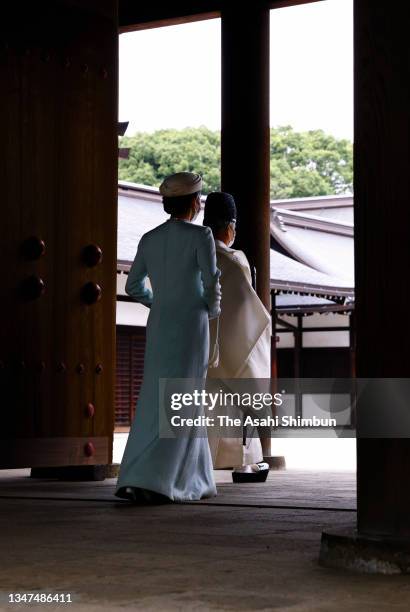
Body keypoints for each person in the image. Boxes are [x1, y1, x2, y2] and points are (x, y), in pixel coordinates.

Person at [115, 172, 221, 503]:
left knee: (154, 396)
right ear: (194, 202)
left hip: (160, 322)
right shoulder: (201, 235)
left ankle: (148, 473)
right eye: (199, 199)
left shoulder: (149, 238)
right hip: (191, 322)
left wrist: (157, 302)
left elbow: (133, 285)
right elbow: (212, 281)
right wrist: (211, 309)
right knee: (186, 395)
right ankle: (163, 479)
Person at [203, 192, 271, 483]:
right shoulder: (233, 260)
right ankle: (243, 463)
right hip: (231, 344)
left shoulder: (197, 255)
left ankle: (199, 463)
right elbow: (247, 307)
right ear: (230, 227)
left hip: (200, 343)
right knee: (240, 396)